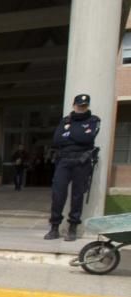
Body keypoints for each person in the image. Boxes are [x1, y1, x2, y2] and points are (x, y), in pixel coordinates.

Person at [45, 94, 100, 241]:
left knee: (77, 195)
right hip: (64, 161)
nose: (81, 108)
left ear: (87, 106)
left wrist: (68, 134)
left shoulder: (93, 120)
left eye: (84, 106)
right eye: (79, 105)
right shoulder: (66, 120)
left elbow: (88, 138)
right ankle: (54, 227)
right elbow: (57, 140)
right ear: (73, 105)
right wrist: (78, 134)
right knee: (58, 194)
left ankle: (73, 227)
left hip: (81, 161)